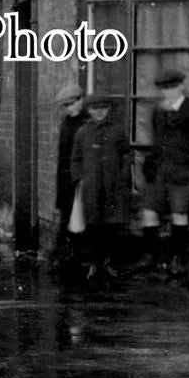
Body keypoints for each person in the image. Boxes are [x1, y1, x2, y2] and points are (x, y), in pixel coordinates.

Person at [140, 68, 189, 279]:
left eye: (172, 87)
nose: (168, 92)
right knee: (149, 213)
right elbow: (156, 140)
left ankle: (177, 261)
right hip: (159, 171)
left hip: (182, 172)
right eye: (164, 89)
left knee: (180, 213)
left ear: (181, 86)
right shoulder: (158, 112)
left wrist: (188, 164)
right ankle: (152, 258)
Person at [69, 95, 131, 285]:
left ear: (108, 109)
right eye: (95, 108)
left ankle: (108, 262)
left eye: (103, 108)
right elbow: (76, 159)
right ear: (88, 110)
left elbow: (126, 155)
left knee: (111, 225)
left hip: (113, 186)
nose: (99, 111)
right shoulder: (83, 132)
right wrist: (79, 179)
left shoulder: (117, 131)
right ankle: (94, 263)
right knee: (93, 225)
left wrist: (123, 177)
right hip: (91, 186)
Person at [53, 83, 88, 270]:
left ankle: (76, 256)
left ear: (81, 101)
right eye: (67, 105)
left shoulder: (87, 123)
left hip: (83, 178)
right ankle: (66, 256)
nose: (70, 108)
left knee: (81, 219)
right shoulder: (67, 124)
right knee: (67, 218)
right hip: (67, 179)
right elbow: (62, 157)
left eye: (73, 103)